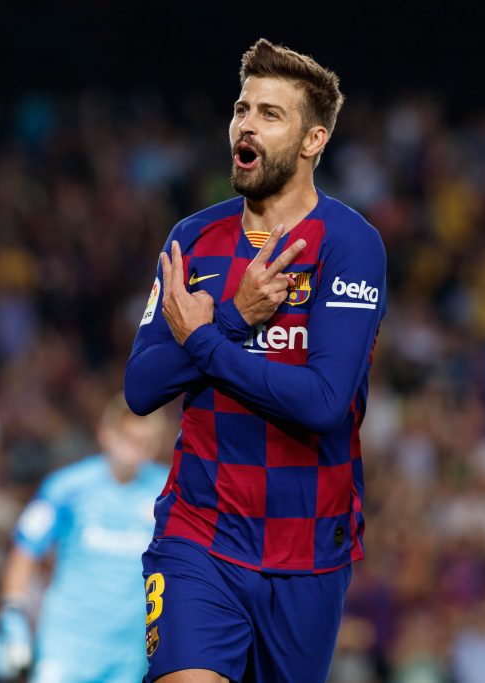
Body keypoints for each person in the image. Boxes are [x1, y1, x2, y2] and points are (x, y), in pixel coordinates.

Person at [125, 38, 387, 683]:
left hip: (308, 547)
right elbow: (141, 387)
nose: (246, 124)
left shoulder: (349, 244)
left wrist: (207, 340)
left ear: (313, 140)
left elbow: (322, 403)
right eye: (242, 109)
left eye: (271, 114)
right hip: (198, 534)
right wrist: (236, 317)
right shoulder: (193, 239)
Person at [0, 392, 170, 683]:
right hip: (67, 642)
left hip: (128, 651)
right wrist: (13, 613)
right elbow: (26, 548)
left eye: (143, 442)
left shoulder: (166, 491)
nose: (133, 449)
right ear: (106, 434)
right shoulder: (68, 486)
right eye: (127, 438)